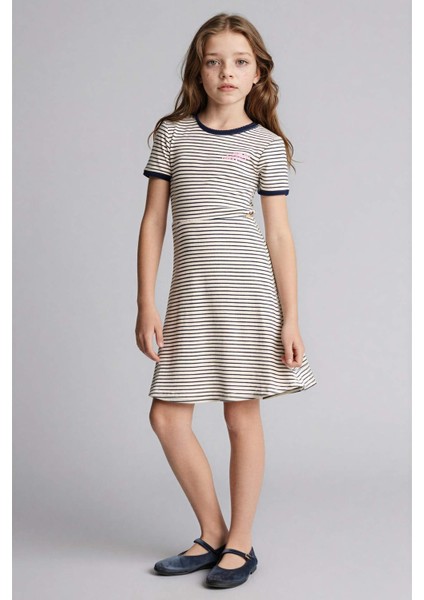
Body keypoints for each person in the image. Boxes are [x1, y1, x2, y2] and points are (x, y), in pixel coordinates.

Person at [135, 12, 318, 589]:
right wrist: (145, 303)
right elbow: (153, 221)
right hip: (189, 298)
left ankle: (241, 542)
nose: (226, 73)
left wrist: (291, 318)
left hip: (248, 296)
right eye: (214, 62)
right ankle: (212, 530)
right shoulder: (172, 135)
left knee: (241, 415)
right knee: (167, 416)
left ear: (258, 71)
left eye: (240, 62)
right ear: (199, 70)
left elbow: (279, 235)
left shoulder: (265, 144)